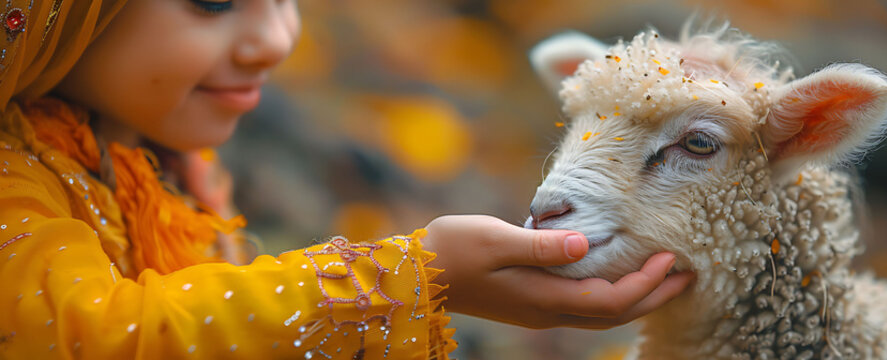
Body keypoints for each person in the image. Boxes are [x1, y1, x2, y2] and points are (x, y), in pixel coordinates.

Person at [0, 0, 694, 358]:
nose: (277, 38)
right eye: (212, 0)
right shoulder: (14, 177)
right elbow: (94, 339)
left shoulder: (154, 152)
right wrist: (407, 277)